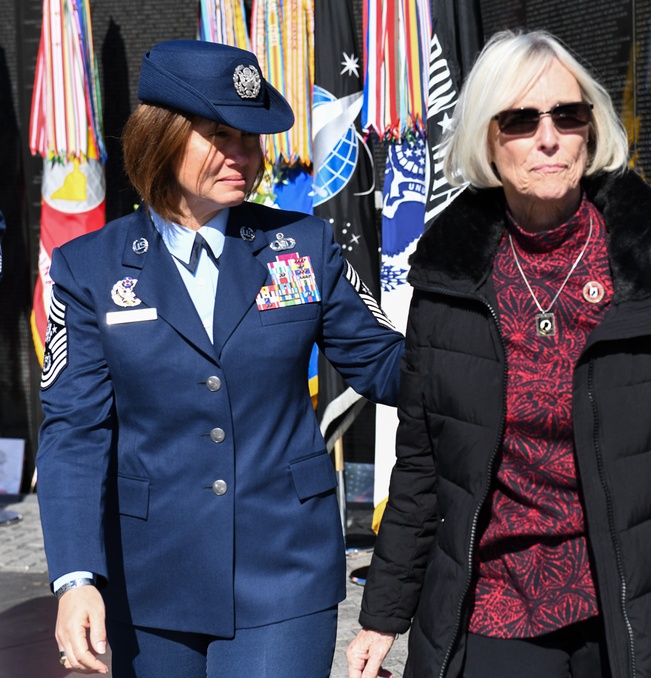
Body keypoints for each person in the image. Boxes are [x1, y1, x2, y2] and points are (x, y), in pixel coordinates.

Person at [346, 30, 651, 678]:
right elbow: (423, 468)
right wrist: (383, 615)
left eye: (567, 114)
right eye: (521, 120)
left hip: (638, 612)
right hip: (498, 611)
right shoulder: (449, 282)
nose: (548, 137)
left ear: (591, 128)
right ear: (487, 140)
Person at [36, 40, 404, 677]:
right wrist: (74, 578)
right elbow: (74, 429)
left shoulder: (303, 246)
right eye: (220, 135)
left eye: (252, 137)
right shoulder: (88, 268)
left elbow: (385, 363)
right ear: (161, 137)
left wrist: (491, 354)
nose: (244, 155)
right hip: (149, 575)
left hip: (284, 570)